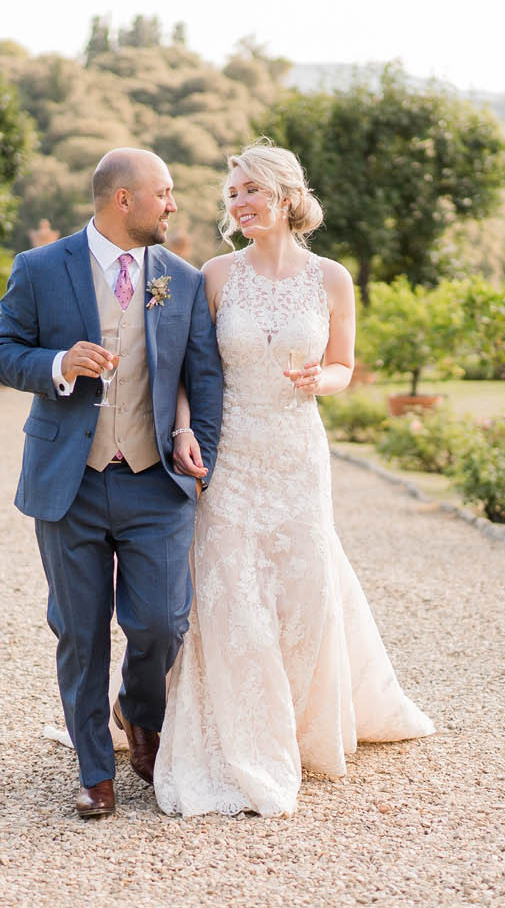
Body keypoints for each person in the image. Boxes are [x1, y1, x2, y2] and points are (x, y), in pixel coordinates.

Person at [157, 142, 434, 817]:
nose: (240, 202)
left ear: (285, 196)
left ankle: (305, 727)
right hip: (233, 454)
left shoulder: (332, 279)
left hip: (298, 455)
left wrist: (324, 380)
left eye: (252, 189)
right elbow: (194, 371)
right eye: (232, 194)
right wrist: (185, 429)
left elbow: (344, 365)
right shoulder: (215, 276)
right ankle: (241, 738)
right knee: (233, 591)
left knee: (304, 590)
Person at [0, 148, 224, 819]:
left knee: (161, 623)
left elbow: (200, 377)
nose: (173, 205)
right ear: (124, 200)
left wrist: (199, 444)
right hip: (72, 482)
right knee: (79, 631)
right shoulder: (39, 269)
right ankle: (94, 771)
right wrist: (59, 361)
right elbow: (1, 353)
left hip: (156, 484)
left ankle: (138, 709)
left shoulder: (180, 277)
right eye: (165, 193)